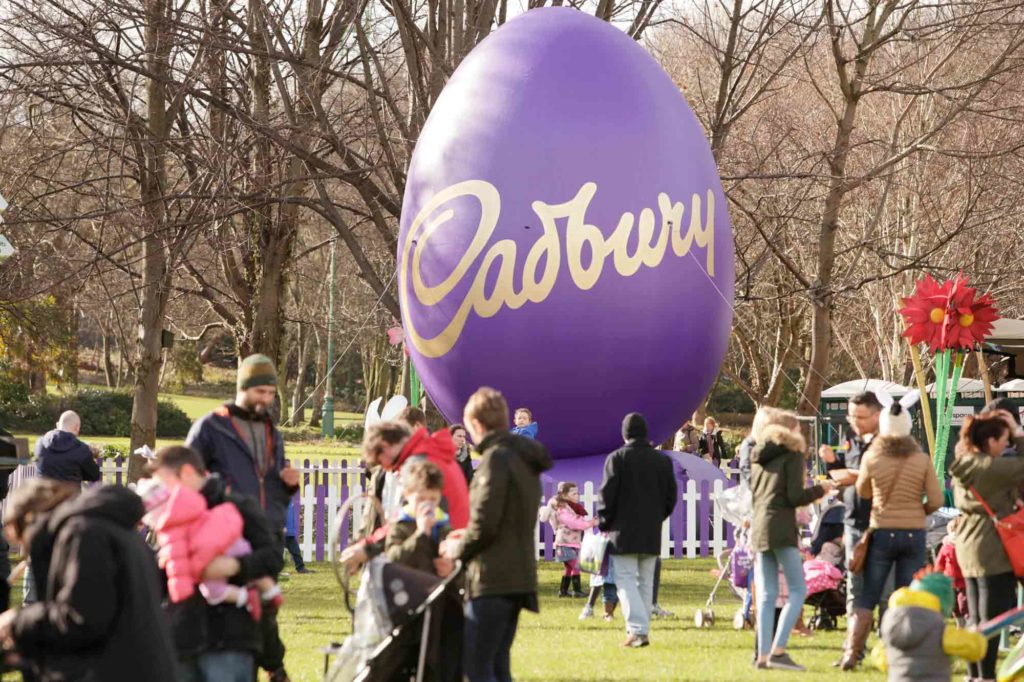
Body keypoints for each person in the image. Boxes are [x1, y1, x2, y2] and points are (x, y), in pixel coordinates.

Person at [184, 353, 298, 682]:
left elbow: (269, 481)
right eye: (259, 392)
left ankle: (272, 665)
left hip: (265, 533)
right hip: (225, 536)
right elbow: (188, 479)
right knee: (236, 612)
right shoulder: (211, 426)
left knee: (265, 605)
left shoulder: (272, 432)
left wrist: (285, 489)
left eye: (271, 394)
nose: (266, 400)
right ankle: (271, 668)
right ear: (243, 388)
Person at [0, 480, 178, 682]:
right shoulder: (111, 527)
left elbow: (82, 617)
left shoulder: (82, 533)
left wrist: (16, 622)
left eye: (20, 536)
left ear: (30, 518)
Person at [440, 387, 552, 682]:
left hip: (493, 578)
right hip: (517, 576)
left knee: (476, 666)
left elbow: (485, 524)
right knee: (498, 666)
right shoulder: (525, 460)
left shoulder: (495, 460)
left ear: (477, 424)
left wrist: (456, 548)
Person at [151, 445, 284, 682]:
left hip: (230, 638)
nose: (164, 492)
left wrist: (235, 566)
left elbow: (272, 557)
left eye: (166, 483)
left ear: (187, 472)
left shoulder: (238, 507)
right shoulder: (168, 518)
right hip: (182, 639)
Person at [841, 398, 942, 671]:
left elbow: (862, 491)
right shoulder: (921, 458)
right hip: (914, 534)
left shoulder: (873, 456)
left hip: (882, 532)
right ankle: (897, 651)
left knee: (868, 595)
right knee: (905, 594)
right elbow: (936, 498)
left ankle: (852, 652)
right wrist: (918, 510)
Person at [749, 407, 833, 671]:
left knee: (767, 594)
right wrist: (822, 489)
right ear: (790, 431)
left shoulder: (759, 455)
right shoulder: (793, 454)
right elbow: (796, 497)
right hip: (782, 527)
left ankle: (762, 655)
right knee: (798, 589)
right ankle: (779, 650)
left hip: (761, 526)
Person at [136, 475, 280, 617]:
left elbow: (177, 559)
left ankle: (246, 598)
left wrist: (182, 587)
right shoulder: (191, 501)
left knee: (213, 591)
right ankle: (271, 590)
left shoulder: (171, 530)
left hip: (210, 556)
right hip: (233, 541)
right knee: (251, 566)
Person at [950, 414, 1024, 682]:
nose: (1007, 446)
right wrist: (1018, 433)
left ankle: (973, 674)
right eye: (1004, 441)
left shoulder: (964, 463)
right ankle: (986, 676)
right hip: (992, 547)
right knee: (994, 619)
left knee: (975, 617)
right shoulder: (992, 469)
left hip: (967, 544)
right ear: (991, 441)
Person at [821, 391, 893, 663]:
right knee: (855, 588)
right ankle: (853, 652)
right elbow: (846, 471)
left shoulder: (888, 442)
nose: (854, 421)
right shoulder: (849, 438)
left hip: (881, 523)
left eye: (860, 417)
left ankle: (887, 651)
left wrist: (859, 477)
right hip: (852, 521)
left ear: (877, 415)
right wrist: (833, 464)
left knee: (886, 592)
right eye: (851, 416)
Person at [597, 412, 677, 648]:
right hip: (651, 530)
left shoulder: (617, 458)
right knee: (645, 581)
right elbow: (670, 496)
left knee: (625, 580)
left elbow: (606, 495)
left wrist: (604, 522)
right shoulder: (662, 461)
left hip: (623, 531)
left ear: (624, 434)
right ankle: (642, 631)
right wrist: (657, 517)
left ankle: (637, 630)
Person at [874, 571, 986, 681]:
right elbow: (974, 648)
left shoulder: (891, 622)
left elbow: (881, 657)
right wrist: (974, 636)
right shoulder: (939, 628)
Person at [539, 481, 598, 598]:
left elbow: (578, 521)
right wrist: (591, 523)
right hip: (564, 543)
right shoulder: (562, 510)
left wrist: (590, 523)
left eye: (578, 493)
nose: (578, 496)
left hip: (572, 543)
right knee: (575, 565)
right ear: (565, 496)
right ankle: (577, 590)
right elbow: (574, 523)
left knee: (569, 567)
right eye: (574, 493)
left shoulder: (572, 508)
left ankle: (563, 591)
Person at [34, 411, 101, 490]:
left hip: (44, 498)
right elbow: (94, 475)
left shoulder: (40, 443)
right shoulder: (81, 449)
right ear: (77, 427)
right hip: (70, 499)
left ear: (58, 424)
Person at [283, 495, 310, 574]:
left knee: (296, 551)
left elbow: (290, 516)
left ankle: (301, 568)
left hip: (289, 531)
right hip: (280, 530)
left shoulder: (289, 500)